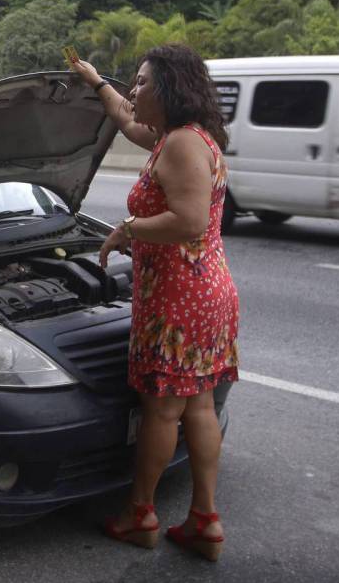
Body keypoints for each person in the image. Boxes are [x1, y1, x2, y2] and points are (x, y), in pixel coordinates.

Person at [70, 45, 239, 562]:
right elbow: (124, 119)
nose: (135, 90)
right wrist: (95, 80)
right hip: (206, 290)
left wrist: (127, 229)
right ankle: (204, 521)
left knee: (163, 411)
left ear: (169, 89)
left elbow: (187, 221)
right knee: (199, 404)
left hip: (180, 296)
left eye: (142, 82)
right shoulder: (174, 137)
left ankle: (141, 514)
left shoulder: (183, 144)